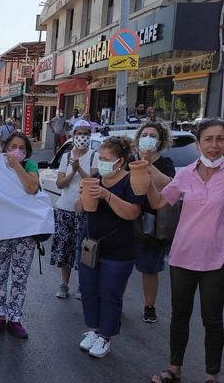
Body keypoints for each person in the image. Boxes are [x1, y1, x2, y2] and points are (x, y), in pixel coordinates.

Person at [148, 118, 224, 383]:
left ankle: (212, 376)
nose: (214, 145)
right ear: (198, 143)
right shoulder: (185, 174)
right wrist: (144, 175)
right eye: (209, 139)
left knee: (213, 320)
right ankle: (174, 367)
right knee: (179, 316)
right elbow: (160, 203)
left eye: (220, 139)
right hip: (182, 257)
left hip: (218, 259)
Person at [75, 136, 144, 358]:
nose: (103, 163)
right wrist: (82, 194)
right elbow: (79, 209)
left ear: (120, 162)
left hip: (119, 251)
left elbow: (132, 213)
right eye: (101, 158)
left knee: (110, 294)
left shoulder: (130, 181)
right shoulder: (96, 178)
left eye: (107, 159)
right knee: (89, 290)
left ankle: (106, 336)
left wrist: (107, 195)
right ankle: (93, 330)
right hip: (91, 246)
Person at [0, 132, 40, 338]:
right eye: (13, 146)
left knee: (20, 276)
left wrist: (16, 165)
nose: (17, 151)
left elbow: (32, 187)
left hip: (25, 233)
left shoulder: (30, 167)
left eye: (22, 148)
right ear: (5, 147)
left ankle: (15, 317)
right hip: (0, 230)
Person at [130, 122, 175, 323]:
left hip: (152, 223)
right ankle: (116, 302)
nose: (148, 138)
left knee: (149, 268)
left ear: (160, 140)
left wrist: (148, 164)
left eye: (153, 135)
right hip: (128, 218)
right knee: (122, 264)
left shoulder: (165, 163)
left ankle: (149, 306)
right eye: (145, 134)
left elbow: (167, 186)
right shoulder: (130, 160)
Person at [50, 120, 98, 300]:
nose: (82, 137)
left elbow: (93, 181)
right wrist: (72, 171)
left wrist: (80, 170)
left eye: (86, 134)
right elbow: (60, 183)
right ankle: (64, 284)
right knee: (65, 247)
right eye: (79, 134)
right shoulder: (66, 156)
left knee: (83, 249)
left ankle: (82, 285)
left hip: (85, 210)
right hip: (64, 208)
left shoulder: (94, 156)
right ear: (73, 135)